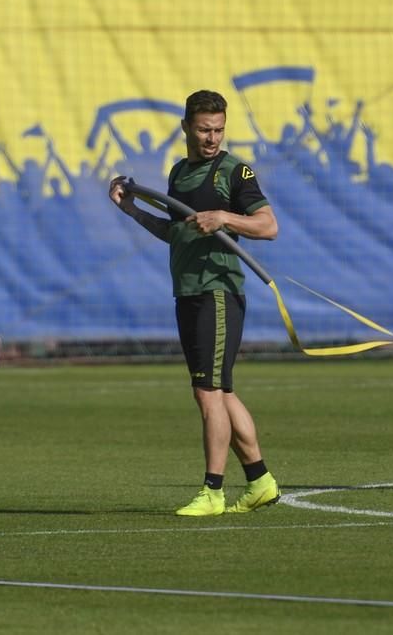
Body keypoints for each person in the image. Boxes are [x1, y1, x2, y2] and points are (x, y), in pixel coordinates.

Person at [109, 89, 281, 516]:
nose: (212, 138)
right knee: (219, 392)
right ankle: (261, 481)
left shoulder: (234, 172)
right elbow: (175, 233)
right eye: (204, 129)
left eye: (219, 130)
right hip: (186, 291)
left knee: (207, 393)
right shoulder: (178, 173)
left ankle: (213, 492)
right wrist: (132, 210)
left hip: (218, 292)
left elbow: (268, 226)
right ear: (186, 127)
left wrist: (224, 217)